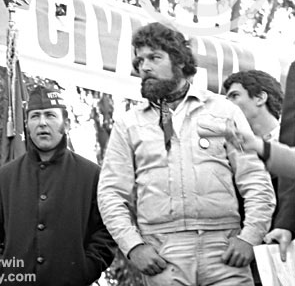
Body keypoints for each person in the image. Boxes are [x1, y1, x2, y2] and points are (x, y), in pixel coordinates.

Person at [97, 22, 275, 286]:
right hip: (162, 254)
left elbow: (255, 180)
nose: (144, 67)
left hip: (224, 251)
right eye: (140, 60)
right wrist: (133, 246)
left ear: (179, 61)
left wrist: (250, 236)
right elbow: (110, 192)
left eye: (154, 57)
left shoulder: (224, 111)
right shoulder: (129, 123)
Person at [0, 86, 116, 286]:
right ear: (27, 124)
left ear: (65, 123)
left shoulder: (92, 175)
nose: (42, 123)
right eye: (35, 116)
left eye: (50, 115)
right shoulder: (2, 178)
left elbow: (106, 233)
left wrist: (85, 269)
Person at [223, 70, 285, 282]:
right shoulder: (228, 152)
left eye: (234, 95)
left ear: (260, 97)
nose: (227, 103)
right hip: (247, 265)